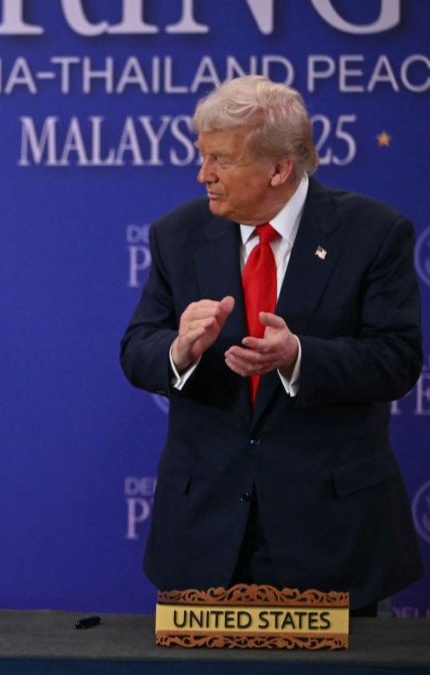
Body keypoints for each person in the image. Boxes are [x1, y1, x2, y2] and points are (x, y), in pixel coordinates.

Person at [120, 76, 423, 613]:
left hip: (329, 536)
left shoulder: (373, 233)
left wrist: (300, 357)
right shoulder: (177, 235)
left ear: (279, 169)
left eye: (221, 161)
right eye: (202, 156)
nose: (203, 175)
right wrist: (180, 351)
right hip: (205, 535)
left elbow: (396, 361)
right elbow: (137, 347)